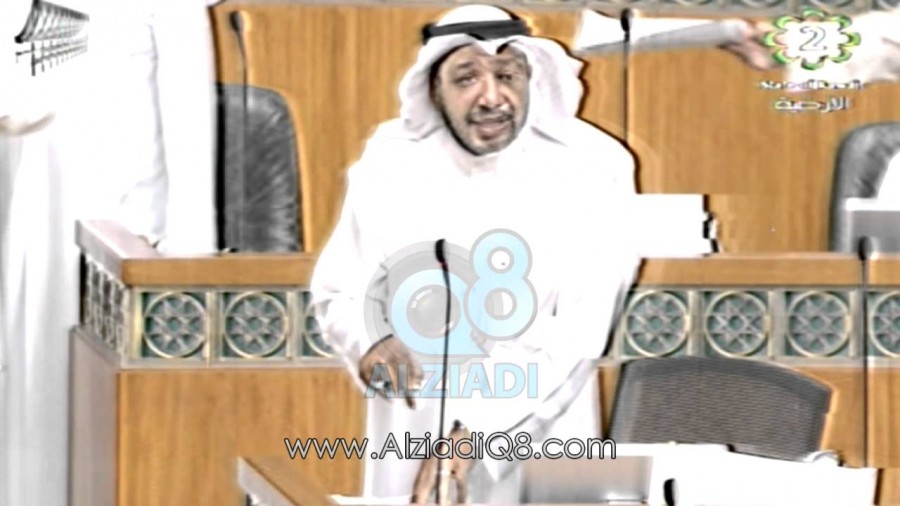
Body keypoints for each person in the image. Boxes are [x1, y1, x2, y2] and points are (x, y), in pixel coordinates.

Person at [310, 4, 641, 503]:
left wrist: (472, 436)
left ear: (533, 80)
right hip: (414, 426)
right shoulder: (390, 162)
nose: (491, 97)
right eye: (466, 78)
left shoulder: (594, 167)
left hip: (541, 433)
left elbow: (579, 329)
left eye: (507, 76)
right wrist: (369, 338)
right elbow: (338, 290)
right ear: (433, 89)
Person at [0, 0, 220, 503]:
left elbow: (190, 134)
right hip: (36, 216)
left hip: (129, 235)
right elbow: (14, 107)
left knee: (111, 420)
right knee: (36, 381)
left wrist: (187, 270)